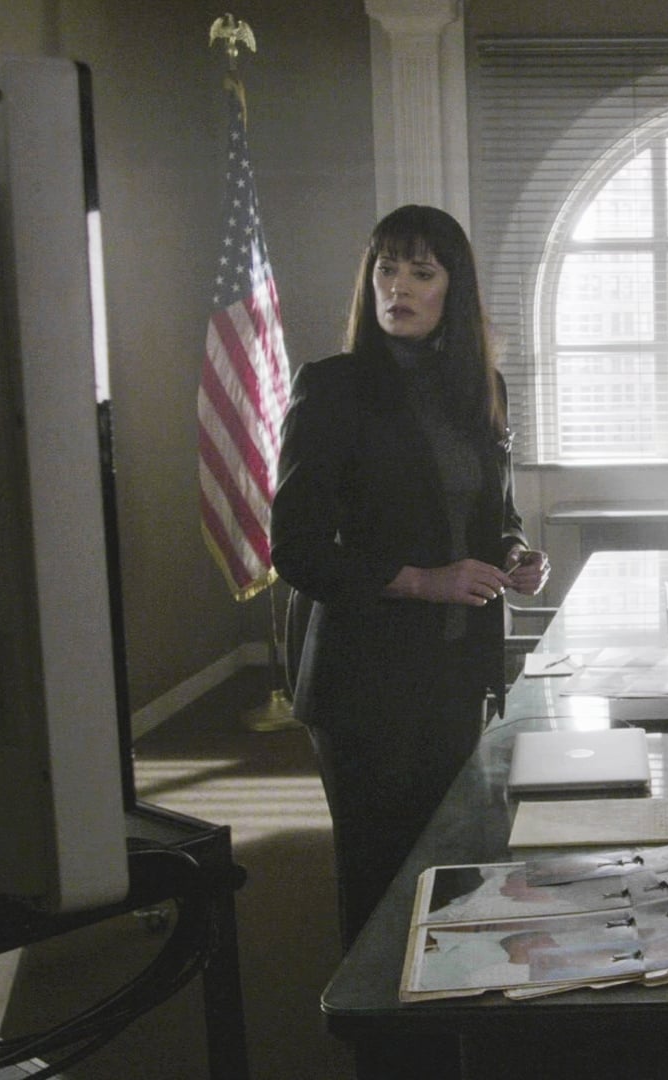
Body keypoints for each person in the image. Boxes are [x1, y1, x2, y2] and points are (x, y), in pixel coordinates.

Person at [272, 204, 549, 951]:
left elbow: (496, 513)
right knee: (379, 880)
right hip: (365, 679)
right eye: (386, 269)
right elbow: (296, 550)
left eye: (421, 273)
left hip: (458, 670)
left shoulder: (482, 386)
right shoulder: (332, 388)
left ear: (452, 290)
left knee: (451, 864)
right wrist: (426, 581)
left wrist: (517, 553)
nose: (398, 286)